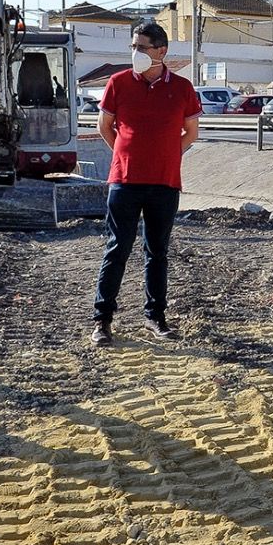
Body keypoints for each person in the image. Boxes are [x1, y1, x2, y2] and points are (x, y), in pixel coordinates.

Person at [90, 21, 201, 345]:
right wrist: (126, 154)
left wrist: (167, 155)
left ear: (161, 51)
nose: (135, 52)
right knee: (117, 249)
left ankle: (156, 317)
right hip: (125, 182)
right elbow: (104, 126)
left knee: (157, 252)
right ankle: (102, 320)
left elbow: (191, 133)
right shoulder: (119, 82)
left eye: (142, 47)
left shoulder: (182, 88)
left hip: (164, 183)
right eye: (133, 47)